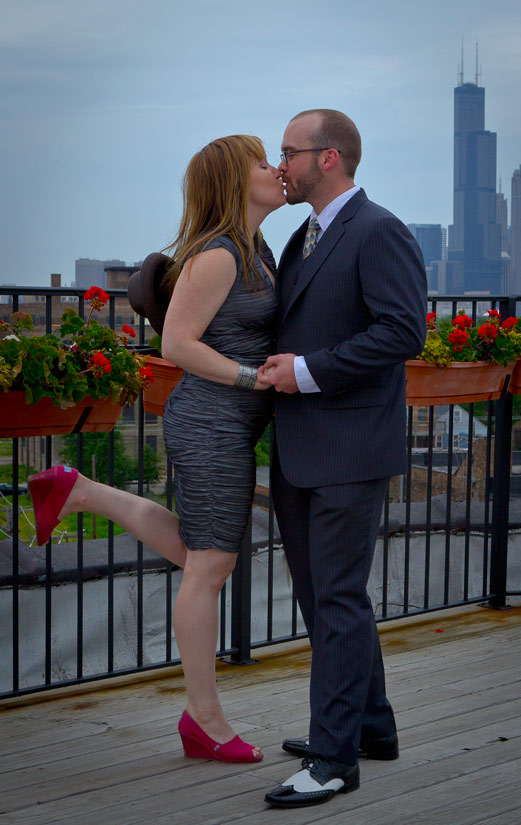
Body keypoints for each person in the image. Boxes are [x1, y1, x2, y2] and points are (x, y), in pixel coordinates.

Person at [28, 134, 286, 765]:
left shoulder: (259, 252)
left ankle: (79, 489)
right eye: (261, 161)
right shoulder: (219, 256)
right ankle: (204, 717)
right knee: (208, 569)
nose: (276, 168)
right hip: (210, 424)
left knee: (205, 555)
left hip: (230, 425)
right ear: (233, 179)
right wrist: (256, 379)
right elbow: (177, 344)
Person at [258, 109, 427, 807]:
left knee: (334, 599)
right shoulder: (304, 233)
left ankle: (333, 759)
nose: (280, 165)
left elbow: (403, 331)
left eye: (289, 152)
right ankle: (370, 724)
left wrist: (306, 371)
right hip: (303, 448)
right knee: (331, 598)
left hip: (350, 447)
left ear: (328, 158)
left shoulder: (379, 229)